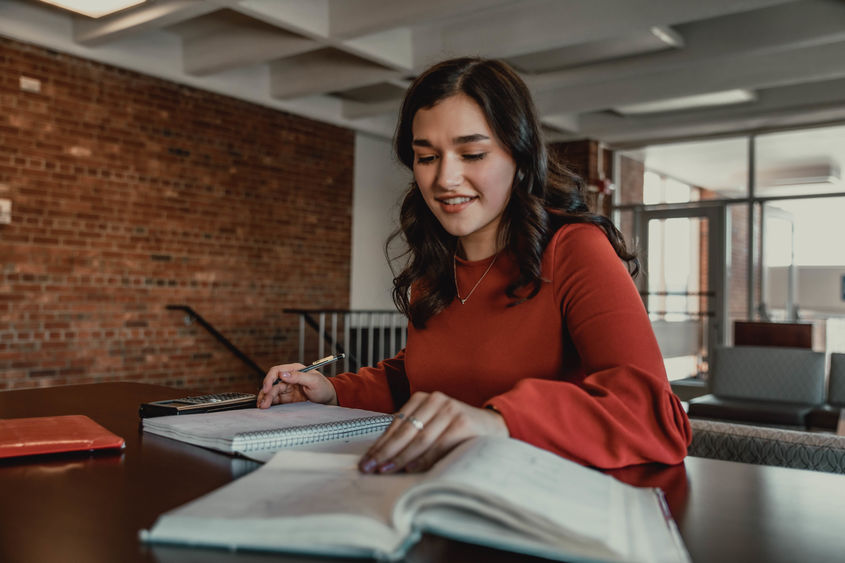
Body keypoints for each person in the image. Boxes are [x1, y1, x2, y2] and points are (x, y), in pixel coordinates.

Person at [257, 57, 691, 474]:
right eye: (427, 157)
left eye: (473, 154)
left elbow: (655, 415)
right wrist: (334, 390)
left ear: (519, 157)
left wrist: (498, 421)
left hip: (549, 503)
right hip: (448, 494)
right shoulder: (435, 266)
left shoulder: (574, 248)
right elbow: (423, 380)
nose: (445, 179)